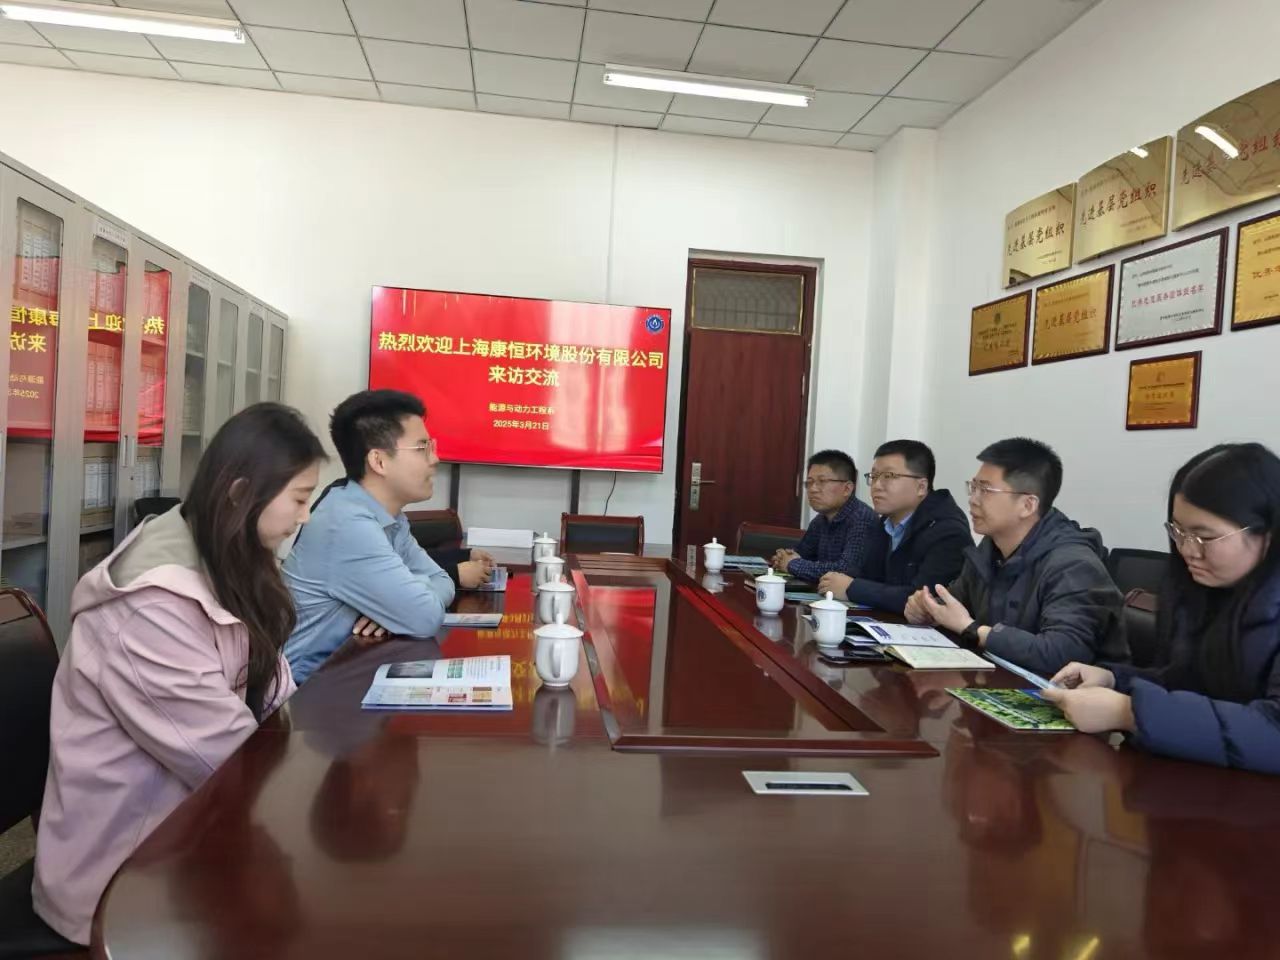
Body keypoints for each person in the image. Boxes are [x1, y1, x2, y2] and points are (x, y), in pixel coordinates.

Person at [32, 403, 325, 945]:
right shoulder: (152, 605)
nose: (304, 517)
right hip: (123, 876)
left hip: (196, 835)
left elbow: (276, 697)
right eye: (300, 499)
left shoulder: (230, 557)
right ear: (241, 493)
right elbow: (229, 759)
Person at [1045, 443, 1280, 775]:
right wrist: (1113, 679)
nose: (1187, 550)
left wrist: (1129, 713)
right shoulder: (1207, 591)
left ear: (1267, 534)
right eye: (1178, 531)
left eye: (1204, 537)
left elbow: (1272, 732)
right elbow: (1187, 681)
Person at [905, 437, 1126, 676]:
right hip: (998, 679)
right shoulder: (990, 548)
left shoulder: (1074, 565)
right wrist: (928, 610)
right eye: (973, 487)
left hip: (1064, 693)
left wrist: (972, 629)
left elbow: (1061, 654)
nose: (973, 499)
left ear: (1028, 505)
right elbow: (956, 604)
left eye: (985, 490)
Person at [283, 390, 455, 684]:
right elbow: (424, 617)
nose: (435, 459)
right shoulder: (347, 523)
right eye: (422, 448)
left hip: (347, 671)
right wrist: (402, 604)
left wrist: (398, 605)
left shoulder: (389, 516)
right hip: (301, 694)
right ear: (379, 461)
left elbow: (444, 581)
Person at [818, 439, 970, 611]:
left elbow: (923, 600)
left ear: (921, 487)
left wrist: (852, 587)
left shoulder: (948, 531)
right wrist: (837, 580)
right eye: (874, 476)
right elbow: (866, 574)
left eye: (888, 476)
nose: (876, 486)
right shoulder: (885, 522)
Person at [771, 449, 879, 583]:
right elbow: (801, 554)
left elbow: (846, 570)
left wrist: (792, 565)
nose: (812, 489)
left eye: (822, 481)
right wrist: (783, 558)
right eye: (809, 482)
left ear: (847, 489)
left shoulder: (862, 518)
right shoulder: (820, 520)